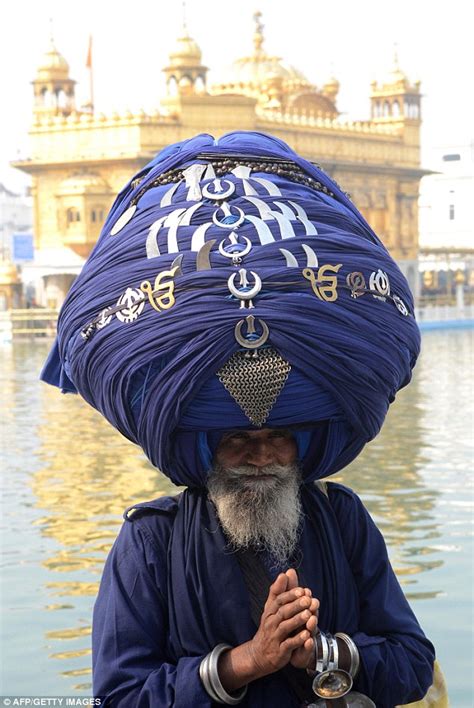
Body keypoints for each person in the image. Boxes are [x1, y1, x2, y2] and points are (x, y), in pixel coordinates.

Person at [41, 131, 436, 706]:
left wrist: (322, 653)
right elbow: (119, 695)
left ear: (301, 443)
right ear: (205, 447)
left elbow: (413, 664)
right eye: (237, 441)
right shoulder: (150, 542)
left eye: (277, 438)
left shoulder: (342, 520)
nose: (260, 457)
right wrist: (246, 662)